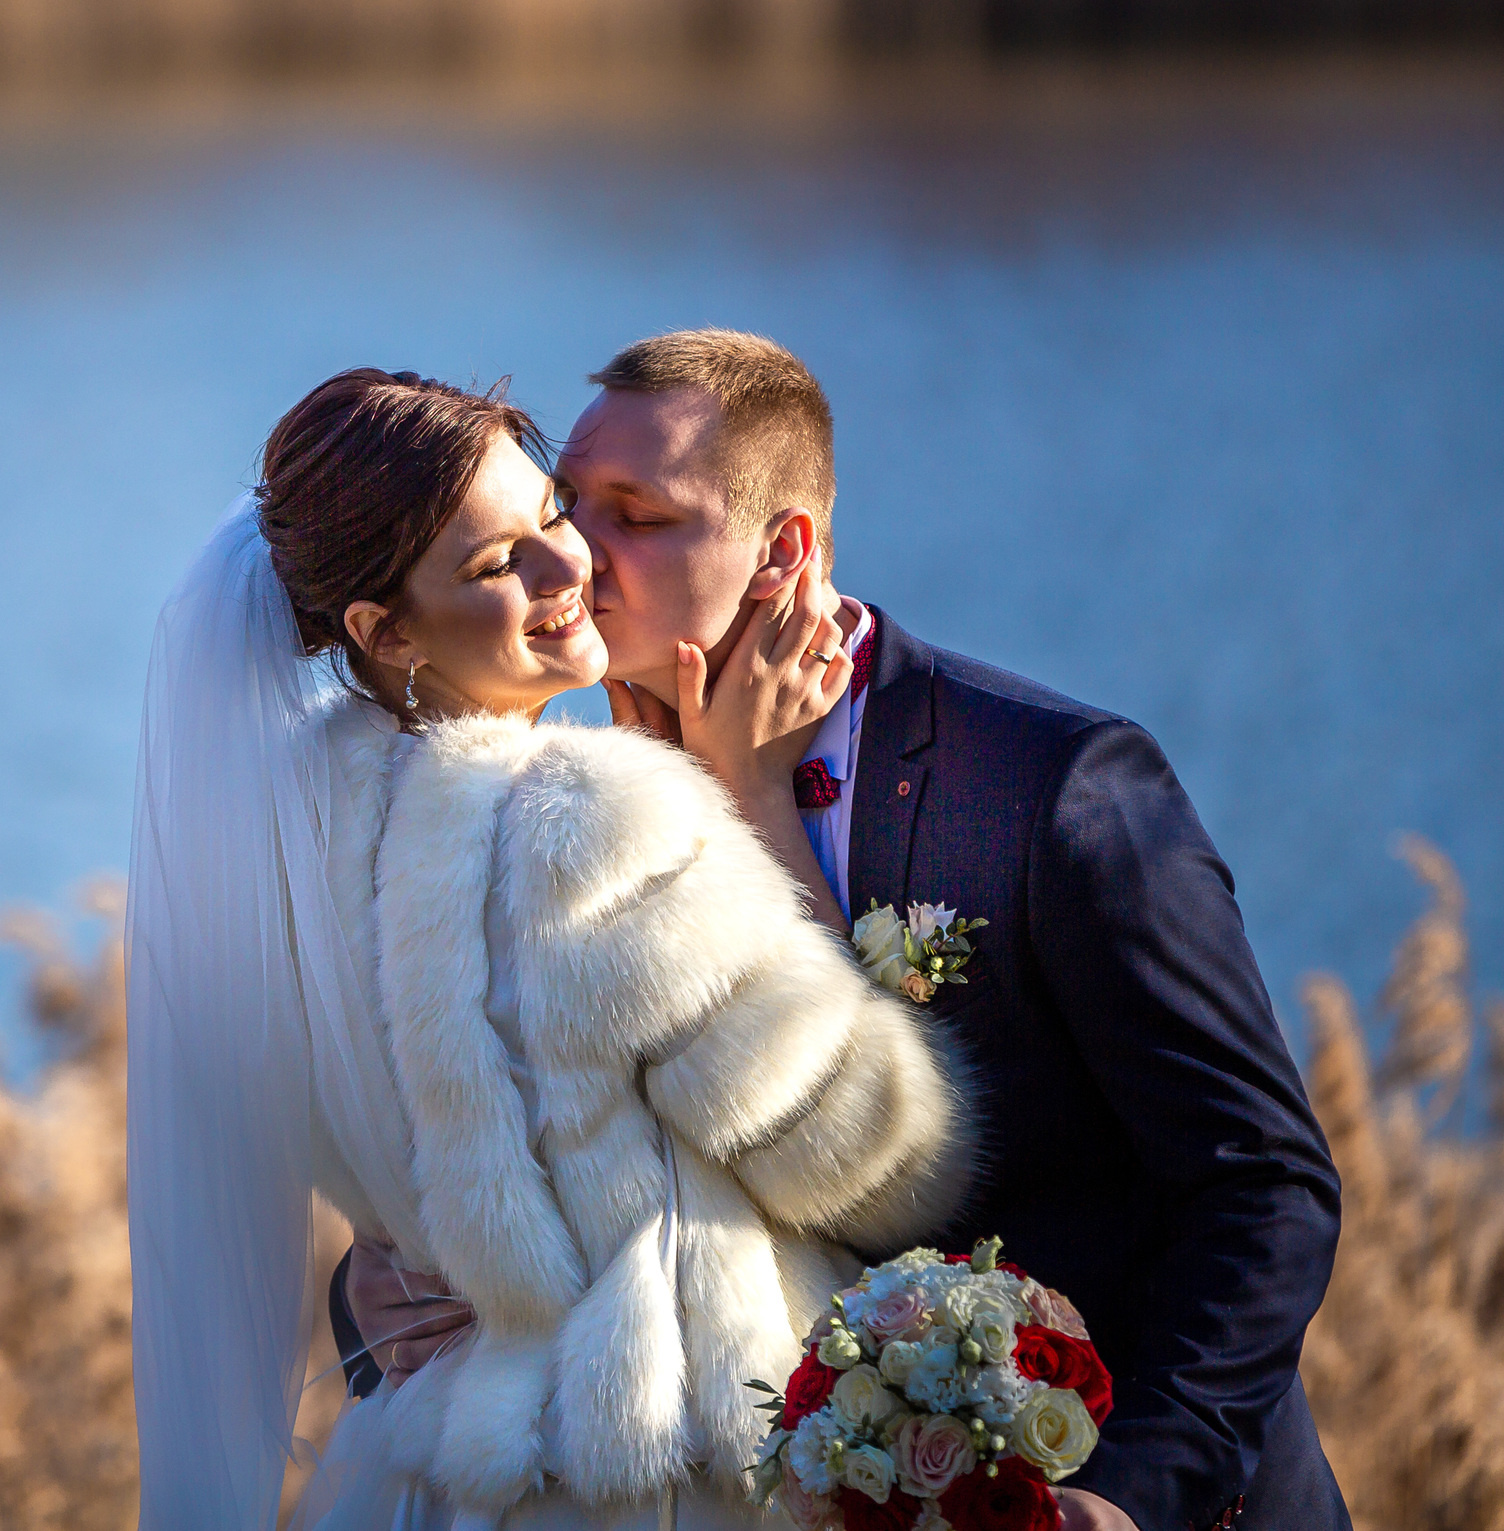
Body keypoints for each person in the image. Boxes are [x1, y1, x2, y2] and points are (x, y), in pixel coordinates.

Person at [333, 331, 1347, 1531]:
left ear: (784, 552)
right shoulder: (566, 809)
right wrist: (380, 1303)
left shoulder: (1048, 787)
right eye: (564, 503)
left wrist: (1133, 1494)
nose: (573, 554)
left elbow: (1262, 1186)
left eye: (635, 515)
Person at [126, 368, 976, 1531]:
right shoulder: (592, 821)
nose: (565, 568)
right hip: (661, 1479)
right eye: (493, 565)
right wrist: (749, 801)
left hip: (435, 1477)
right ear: (383, 631)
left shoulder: (274, 847)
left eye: (549, 518)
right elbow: (873, 1161)